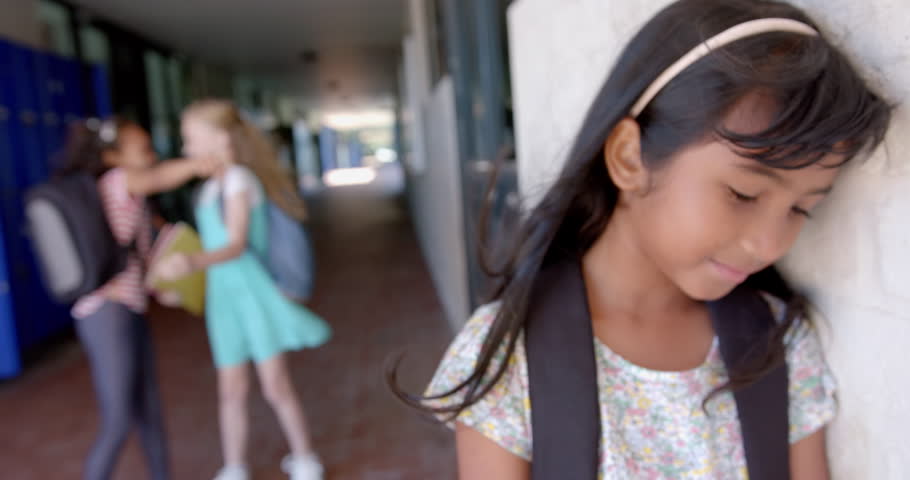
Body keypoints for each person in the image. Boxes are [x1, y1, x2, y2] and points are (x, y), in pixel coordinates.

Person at [392, 0, 892, 478]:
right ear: (629, 158)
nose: (769, 244)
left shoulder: (778, 342)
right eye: (743, 194)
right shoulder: (511, 357)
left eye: (802, 209)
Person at [150, 99, 331, 480]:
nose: (185, 147)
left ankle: (305, 458)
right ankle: (234, 466)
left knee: (275, 385)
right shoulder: (207, 190)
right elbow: (212, 252)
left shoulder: (238, 180)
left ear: (220, 138)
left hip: (254, 295)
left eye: (191, 138)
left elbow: (235, 245)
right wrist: (183, 286)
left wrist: (190, 263)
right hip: (223, 300)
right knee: (230, 390)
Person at [61, 117, 215, 480]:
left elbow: (142, 252)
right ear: (113, 157)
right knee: (117, 421)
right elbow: (158, 178)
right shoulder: (118, 181)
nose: (152, 155)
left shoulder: (133, 197)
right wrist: (200, 164)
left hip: (131, 308)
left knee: (150, 414)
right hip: (107, 313)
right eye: (143, 149)